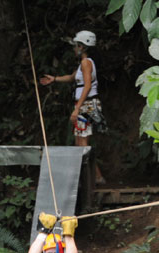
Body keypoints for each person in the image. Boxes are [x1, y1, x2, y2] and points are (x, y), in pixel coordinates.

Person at [39, 30, 106, 184]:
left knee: (82, 144)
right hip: (86, 104)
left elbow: (87, 86)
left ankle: (96, 177)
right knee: (79, 143)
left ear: (82, 46)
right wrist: (54, 79)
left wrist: (77, 109)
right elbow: (71, 77)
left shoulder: (86, 63)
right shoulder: (84, 63)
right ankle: (89, 177)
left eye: (76, 45)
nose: (74, 48)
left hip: (87, 105)